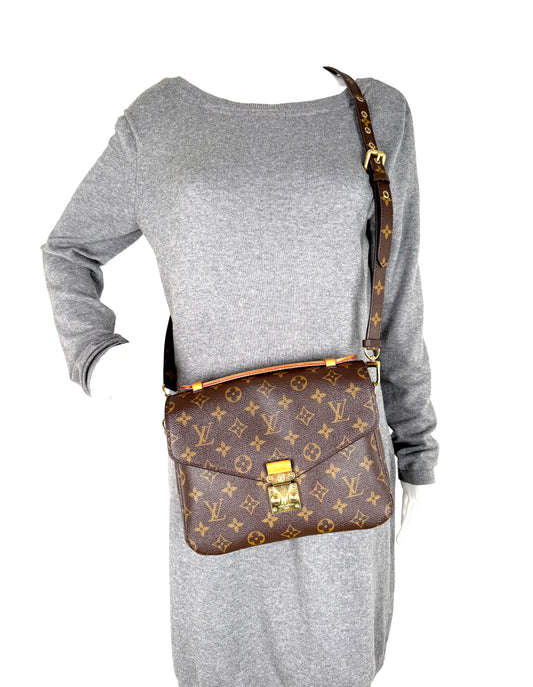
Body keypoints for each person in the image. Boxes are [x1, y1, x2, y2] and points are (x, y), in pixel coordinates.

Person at [41, 66, 439, 686]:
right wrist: (96, 354)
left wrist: (417, 452)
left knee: (342, 661)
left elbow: (400, 295)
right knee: (220, 661)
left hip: (348, 458)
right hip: (216, 473)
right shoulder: (160, 121)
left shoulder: (378, 113)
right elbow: (68, 249)